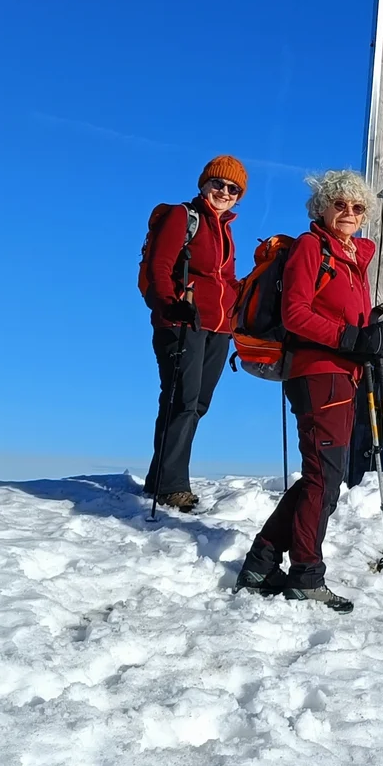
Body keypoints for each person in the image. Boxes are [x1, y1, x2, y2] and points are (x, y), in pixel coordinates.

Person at [237, 170, 383, 611]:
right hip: (317, 374)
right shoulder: (313, 248)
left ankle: (261, 563)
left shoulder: (353, 258)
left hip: (342, 377)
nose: (349, 213)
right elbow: (295, 314)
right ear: (322, 208)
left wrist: (372, 336)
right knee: (324, 479)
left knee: (323, 479)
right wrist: (352, 339)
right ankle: (305, 575)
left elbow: (344, 321)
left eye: (357, 207)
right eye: (340, 204)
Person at [141, 156, 246, 512]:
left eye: (233, 189)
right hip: (182, 322)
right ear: (204, 184)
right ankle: (171, 485)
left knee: (197, 404)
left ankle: (160, 477)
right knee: (182, 399)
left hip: (219, 328)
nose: (224, 192)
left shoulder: (226, 231)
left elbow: (225, 280)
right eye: (218, 184)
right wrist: (169, 305)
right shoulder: (183, 217)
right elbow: (159, 265)